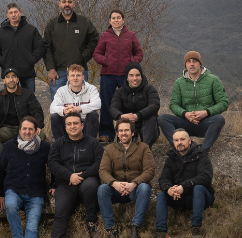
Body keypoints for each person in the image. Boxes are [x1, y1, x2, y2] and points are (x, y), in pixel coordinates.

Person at [47, 113, 105, 238]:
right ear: (65, 126)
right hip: (65, 184)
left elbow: (100, 163)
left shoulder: (93, 143)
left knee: (92, 186)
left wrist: (81, 176)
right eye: (69, 124)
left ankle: (91, 222)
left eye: (75, 123)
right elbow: (53, 164)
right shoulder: (58, 144)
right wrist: (69, 176)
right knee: (61, 212)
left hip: (88, 180)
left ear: (82, 125)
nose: (72, 126)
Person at [0, 117, 50, 238]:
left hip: (36, 192)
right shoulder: (8, 146)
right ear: (19, 130)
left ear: (37, 131)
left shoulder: (45, 147)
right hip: (14, 189)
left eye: (31, 129)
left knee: (32, 223)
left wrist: (54, 185)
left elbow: (55, 167)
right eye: (24, 128)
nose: (27, 131)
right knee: (11, 206)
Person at [150, 129, 215, 238]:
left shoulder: (201, 155)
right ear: (173, 142)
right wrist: (169, 189)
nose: (179, 142)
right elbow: (163, 179)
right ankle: (161, 232)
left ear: (189, 141)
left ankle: (196, 228)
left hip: (201, 197)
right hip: (180, 197)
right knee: (161, 195)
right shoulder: (171, 158)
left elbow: (205, 177)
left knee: (199, 188)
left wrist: (183, 187)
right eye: (176, 140)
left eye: (182, 139)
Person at [97, 120, 155, 238]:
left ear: (132, 132)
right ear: (117, 134)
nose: (124, 133)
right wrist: (114, 183)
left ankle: (135, 228)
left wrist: (134, 183)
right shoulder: (109, 149)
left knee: (145, 188)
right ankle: (111, 230)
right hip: (116, 190)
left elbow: (149, 170)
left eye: (126, 130)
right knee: (102, 189)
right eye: (121, 131)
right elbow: (103, 171)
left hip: (135, 190)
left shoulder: (143, 148)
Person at [159, 51, 229, 152]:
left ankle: (202, 152)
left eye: (195, 61)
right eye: (189, 61)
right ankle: (178, 150)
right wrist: (185, 114)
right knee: (162, 118)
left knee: (219, 119)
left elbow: (223, 102)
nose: (192, 64)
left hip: (206, 123)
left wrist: (206, 112)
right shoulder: (179, 82)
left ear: (200, 63)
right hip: (186, 123)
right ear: (185, 64)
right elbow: (174, 104)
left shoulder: (213, 80)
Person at [92, 10, 144, 140]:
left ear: (123, 20)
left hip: (126, 76)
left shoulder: (131, 35)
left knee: (128, 104)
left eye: (118, 18)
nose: (116, 20)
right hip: (108, 74)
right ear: (109, 21)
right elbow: (97, 54)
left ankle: (130, 134)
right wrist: (106, 61)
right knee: (107, 104)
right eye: (113, 18)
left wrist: (131, 64)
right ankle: (106, 134)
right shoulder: (105, 36)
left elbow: (139, 53)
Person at [43, 0, 100, 97]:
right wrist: (51, 69)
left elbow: (95, 41)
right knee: (58, 107)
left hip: (80, 71)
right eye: (64, 2)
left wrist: (83, 57)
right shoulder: (52, 24)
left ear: (74, 4)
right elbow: (46, 47)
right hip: (58, 73)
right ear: (59, 4)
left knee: (81, 105)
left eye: (69, 2)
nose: (67, 4)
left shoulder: (84, 22)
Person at [0, 3, 45, 94]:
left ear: (20, 12)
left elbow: (40, 47)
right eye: (11, 13)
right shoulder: (1, 32)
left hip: (27, 73)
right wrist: (3, 62)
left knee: (29, 101)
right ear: (7, 15)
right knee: (10, 101)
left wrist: (31, 60)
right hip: (8, 74)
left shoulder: (31, 30)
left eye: (15, 12)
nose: (13, 15)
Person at [0, 68, 45, 149]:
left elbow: (37, 111)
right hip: (6, 128)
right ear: (4, 80)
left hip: (24, 127)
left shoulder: (28, 94)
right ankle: (6, 156)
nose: (11, 79)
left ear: (17, 79)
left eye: (13, 76)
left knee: (41, 135)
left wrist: (38, 126)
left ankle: (26, 155)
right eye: (8, 77)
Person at [110, 62, 161, 148]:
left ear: (141, 76)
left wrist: (138, 116)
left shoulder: (149, 89)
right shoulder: (120, 92)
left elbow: (155, 105)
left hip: (147, 127)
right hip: (128, 125)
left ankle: (145, 149)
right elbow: (113, 108)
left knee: (151, 118)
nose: (135, 78)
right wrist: (121, 116)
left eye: (137, 75)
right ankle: (123, 150)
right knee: (122, 124)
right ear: (127, 77)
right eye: (131, 75)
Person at [49, 64, 101, 140]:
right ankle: (60, 145)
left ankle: (89, 145)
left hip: (85, 122)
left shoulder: (91, 89)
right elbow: (52, 108)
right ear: (68, 78)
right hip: (68, 122)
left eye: (78, 75)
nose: (75, 78)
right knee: (55, 117)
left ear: (83, 77)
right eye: (72, 75)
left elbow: (97, 104)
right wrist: (64, 110)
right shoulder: (61, 90)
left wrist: (79, 109)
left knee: (93, 115)